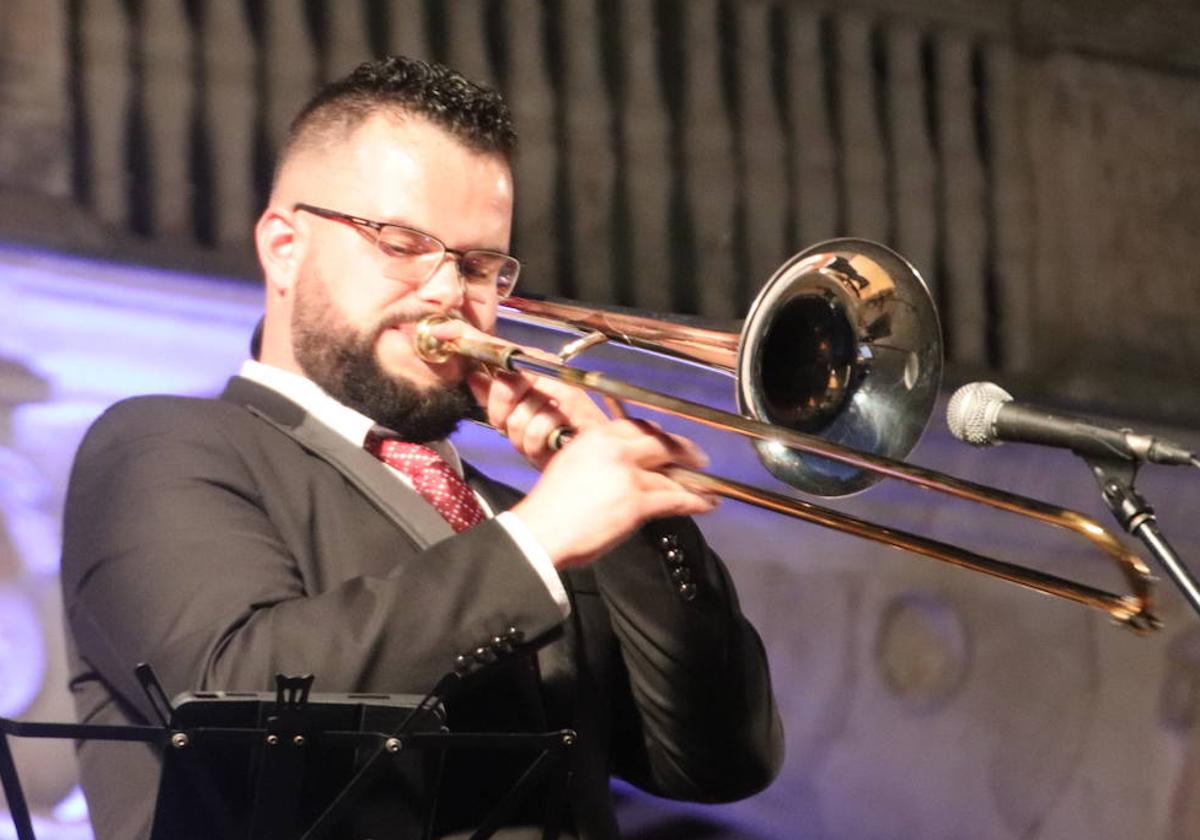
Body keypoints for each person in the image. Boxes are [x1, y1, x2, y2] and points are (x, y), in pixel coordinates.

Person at [61, 56, 783, 840]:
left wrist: (637, 519)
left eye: (478, 264)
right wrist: (537, 540)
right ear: (283, 247)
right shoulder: (163, 446)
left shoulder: (516, 518)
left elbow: (722, 762)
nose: (448, 292)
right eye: (403, 242)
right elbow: (238, 697)